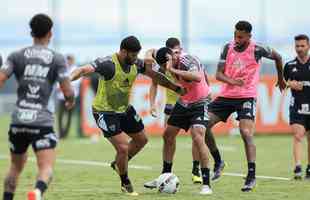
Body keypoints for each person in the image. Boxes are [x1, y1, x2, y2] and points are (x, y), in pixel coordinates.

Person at [70, 36, 185, 195]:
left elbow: (155, 76)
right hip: (104, 112)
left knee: (142, 140)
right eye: (133, 55)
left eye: (137, 54)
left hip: (124, 110)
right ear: (123, 51)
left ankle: (119, 164)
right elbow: (83, 70)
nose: (135, 58)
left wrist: (175, 87)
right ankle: (125, 182)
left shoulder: (136, 63)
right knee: (123, 147)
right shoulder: (108, 65)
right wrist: (67, 80)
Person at [0, 14, 75, 200]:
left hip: (18, 121)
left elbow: (1, 78)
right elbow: (67, 90)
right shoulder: (57, 59)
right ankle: (37, 192)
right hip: (42, 121)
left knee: (15, 167)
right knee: (46, 167)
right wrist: (70, 100)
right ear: (50, 33)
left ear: (31, 32)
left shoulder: (16, 55)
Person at [206, 20, 286, 192]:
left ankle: (251, 176)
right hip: (226, 96)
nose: (236, 39)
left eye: (240, 36)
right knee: (203, 125)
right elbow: (218, 74)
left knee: (246, 132)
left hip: (246, 96)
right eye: (235, 35)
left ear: (249, 36)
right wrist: (233, 81)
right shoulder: (227, 47)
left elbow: (278, 57)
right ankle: (218, 161)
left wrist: (280, 78)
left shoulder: (258, 49)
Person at [149, 38, 225, 183]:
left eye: (167, 64)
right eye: (163, 65)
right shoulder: (164, 61)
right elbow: (153, 73)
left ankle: (204, 180)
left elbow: (197, 76)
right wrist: (152, 104)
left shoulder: (187, 60)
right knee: (168, 135)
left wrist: (172, 69)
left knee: (198, 135)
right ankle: (165, 176)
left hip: (200, 101)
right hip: (184, 101)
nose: (166, 68)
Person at [284, 34, 310, 180]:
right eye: (297, 46)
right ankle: (298, 166)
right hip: (297, 106)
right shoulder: (289, 66)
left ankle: (309, 168)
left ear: (308, 46)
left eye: (302, 46)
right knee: (298, 135)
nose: (299, 49)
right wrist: (289, 84)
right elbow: (281, 83)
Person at [56, 54, 81, 139]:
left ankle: (65, 134)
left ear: (73, 61)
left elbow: (76, 82)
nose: (69, 62)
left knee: (69, 117)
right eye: (67, 60)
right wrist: (61, 86)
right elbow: (58, 81)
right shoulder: (63, 69)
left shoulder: (76, 69)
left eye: (70, 60)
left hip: (72, 97)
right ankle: (60, 133)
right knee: (60, 116)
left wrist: (65, 85)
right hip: (61, 97)